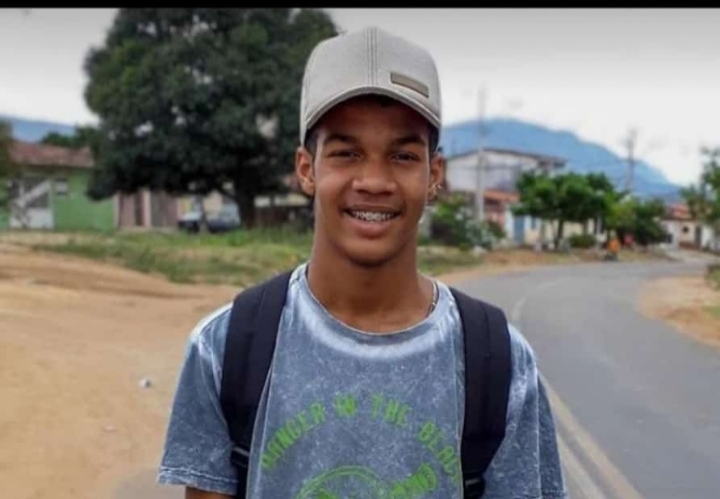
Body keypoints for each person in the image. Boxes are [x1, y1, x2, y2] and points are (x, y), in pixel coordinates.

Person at [157, 26, 568, 499]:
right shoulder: (226, 348)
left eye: (402, 155)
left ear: (434, 175)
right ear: (306, 168)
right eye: (346, 153)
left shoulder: (501, 363)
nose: (374, 181)